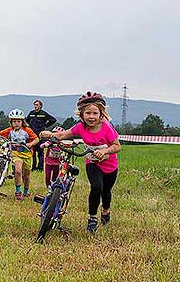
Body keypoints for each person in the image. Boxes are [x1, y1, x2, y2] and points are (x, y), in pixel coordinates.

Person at [40, 92, 121, 233]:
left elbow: (117, 146)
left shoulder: (107, 128)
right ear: (81, 114)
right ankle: (92, 218)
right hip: (92, 163)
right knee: (96, 187)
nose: (91, 116)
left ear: (101, 114)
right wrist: (50, 135)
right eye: (87, 113)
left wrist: (105, 151)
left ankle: (106, 210)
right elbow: (64, 134)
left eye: (95, 113)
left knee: (106, 191)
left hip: (110, 165)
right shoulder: (80, 127)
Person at [0, 109, 39, 200]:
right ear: (11, 122)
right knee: (18, 171)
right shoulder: (10, 130)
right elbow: (1, 133)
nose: (16, 123)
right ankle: (18, 191)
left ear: (22, 122)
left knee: (26, 176)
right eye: (14, 121)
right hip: (16, 154)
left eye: (18, 121)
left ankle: (26, 191)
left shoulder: (27, 130)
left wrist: (30, 144)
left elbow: (36, 139)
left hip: (27, 155)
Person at [26, 100, 57, 171]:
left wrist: (45, 126)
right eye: (34, 105)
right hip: (32, 135)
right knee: (33, 152)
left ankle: (40, 168)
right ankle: (33, 167)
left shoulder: (44, 114)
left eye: (37, 105)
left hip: (40, 135)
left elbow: (53, 120)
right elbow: (27, 120)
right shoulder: (31, 113)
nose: (35, 106)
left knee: (40, 152)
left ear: (40, 106)